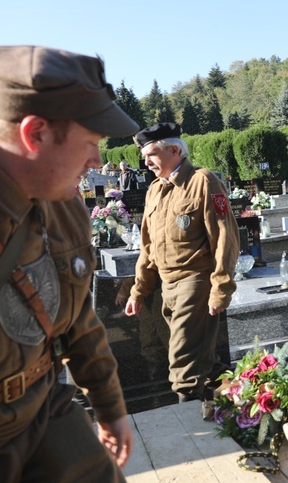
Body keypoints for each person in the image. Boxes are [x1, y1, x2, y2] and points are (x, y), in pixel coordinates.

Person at [0, 46, 136, 480]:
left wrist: (110, 407)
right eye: (91, 143)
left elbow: (79, 320)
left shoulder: (64, 207)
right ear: (34, 132)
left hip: (43, 413)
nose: (97, 162)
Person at [125, 122, 239, 402]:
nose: (145, 161)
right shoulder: (154, 190)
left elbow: (225, 237)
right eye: (144, 156)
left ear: (174, 150)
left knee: (182, 367)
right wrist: (138, 290)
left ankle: (188, 428)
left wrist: (220, 288)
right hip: (167, 287)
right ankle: (246, 402)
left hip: (195, 282)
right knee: (205, 364)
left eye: (151, 154)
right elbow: (148, 248)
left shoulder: (203, 181)